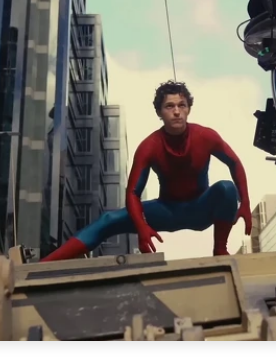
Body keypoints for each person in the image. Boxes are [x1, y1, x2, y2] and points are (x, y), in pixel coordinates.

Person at [41, 81, 252, 262]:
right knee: (108, 220)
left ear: (189, 109)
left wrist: (245, 202)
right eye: (169, 106)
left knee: (226, 188)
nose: (176, 111)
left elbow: (235, 163)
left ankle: (220, 249)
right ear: (159, 112)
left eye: (182, 105)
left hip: (200, 208)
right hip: (167, 210)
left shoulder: (206, 136)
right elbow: (133, 192)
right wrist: (142, 228)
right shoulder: (149, 146)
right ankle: (43, 265)